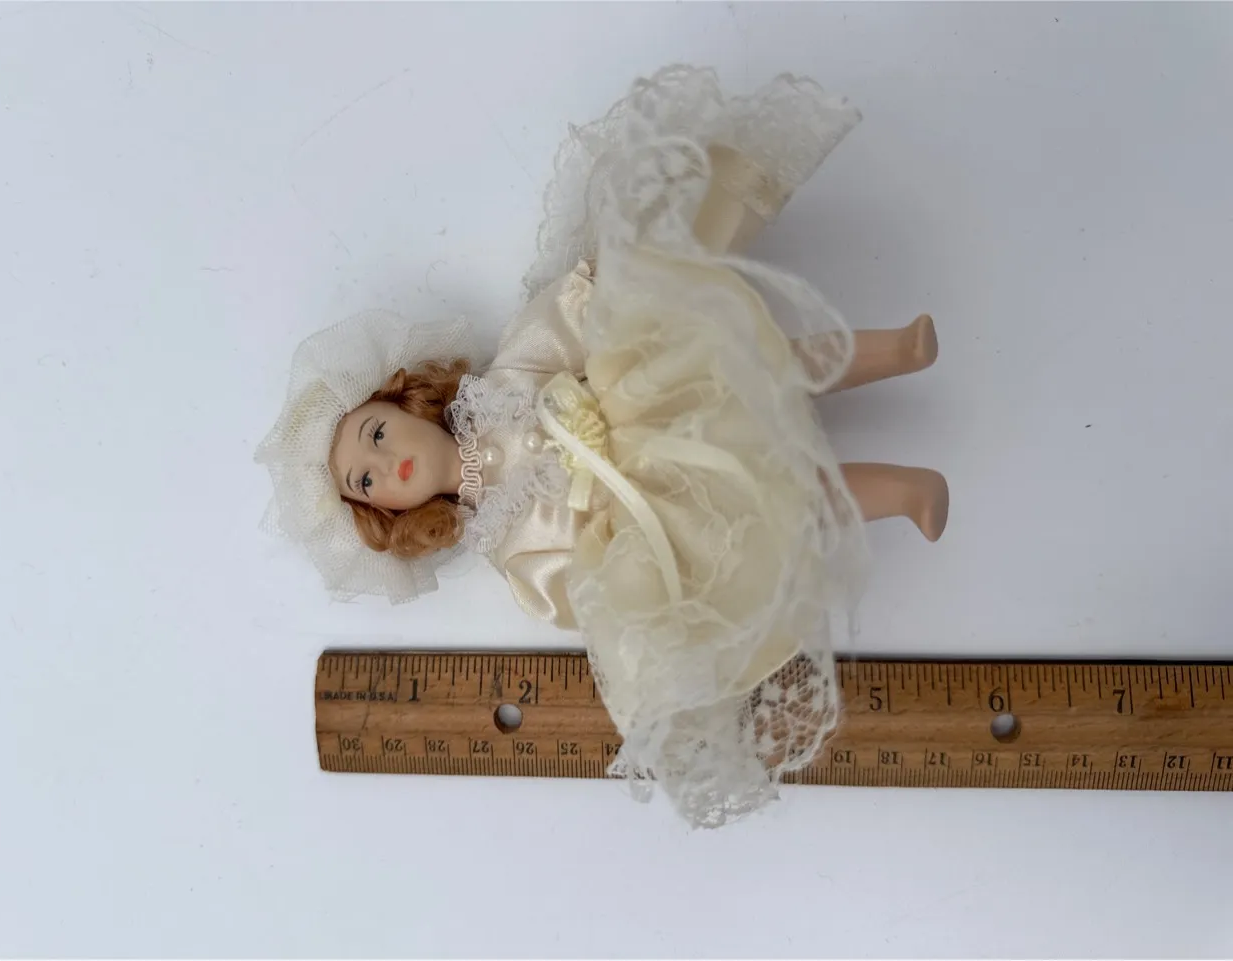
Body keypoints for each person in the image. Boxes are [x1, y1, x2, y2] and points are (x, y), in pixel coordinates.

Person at [257, 65, 949, 828]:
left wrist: (603, 292)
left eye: (376, 433)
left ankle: (895, 348)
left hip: (640, 397)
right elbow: (576, 588)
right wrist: (620, 560)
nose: (387, 462)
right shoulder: (506, 545)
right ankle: (904, 491)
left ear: (402, 397)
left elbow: (563, 323)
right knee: (780, 508)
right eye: (368, 480)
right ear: (391, 515)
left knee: (760, 363)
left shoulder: (502, 380)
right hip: (651, 502)